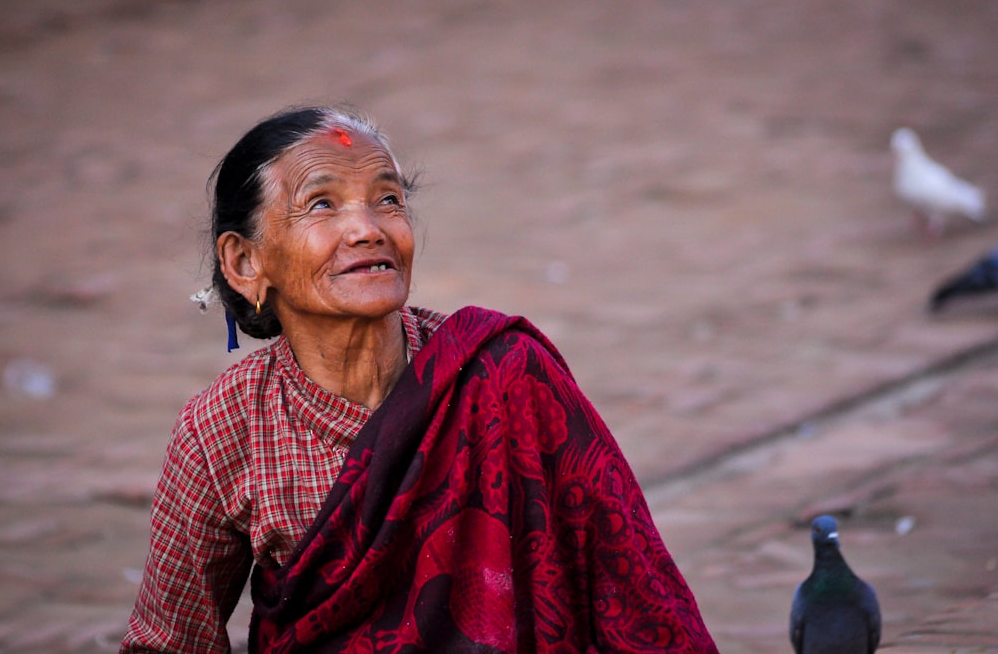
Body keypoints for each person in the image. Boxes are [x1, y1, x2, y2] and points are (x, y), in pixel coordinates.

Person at [121, 105, 718, 653]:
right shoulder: (224, 425)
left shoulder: (504, 371)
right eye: (323, 205)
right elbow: (169, 641)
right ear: (245, 263)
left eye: (388, 200)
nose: (369, 228)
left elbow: (636, 591)